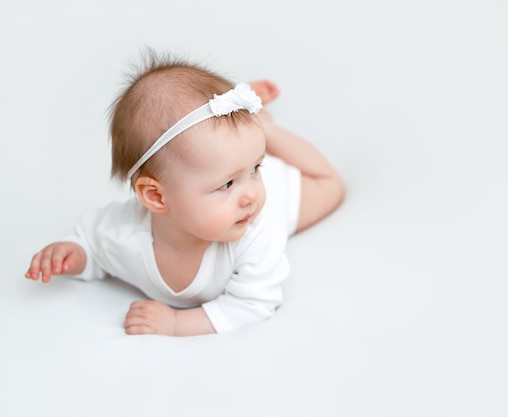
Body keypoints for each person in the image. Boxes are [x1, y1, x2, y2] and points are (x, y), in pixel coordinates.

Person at [24, 52, 344, 336]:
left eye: (254, 169)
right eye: (226, 186)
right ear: (156, 197)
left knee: (330, 186)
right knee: (236, 158)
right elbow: (92, 241)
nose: (250, 195)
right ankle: (251, 137)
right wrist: (74, 254)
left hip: (280, 187)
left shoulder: (258, 228)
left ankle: (265, 129)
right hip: (232, 160)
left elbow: (254, 303)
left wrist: (178, 324)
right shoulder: (125, 233)